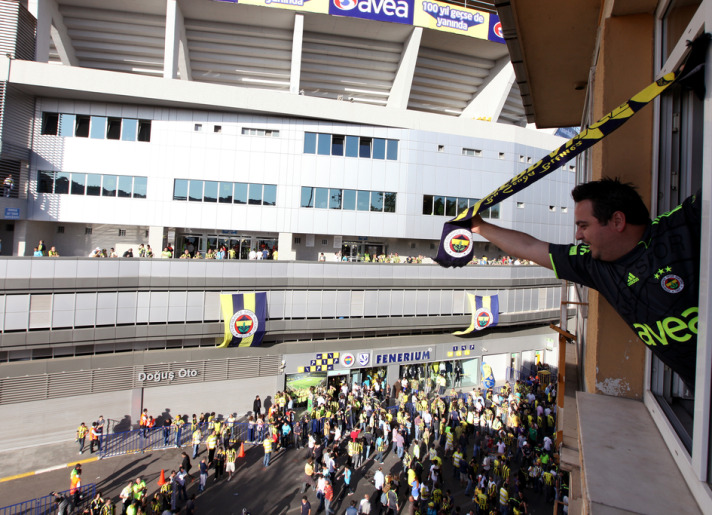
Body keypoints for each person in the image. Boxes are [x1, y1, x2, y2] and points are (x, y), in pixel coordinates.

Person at [470, 178, 700, 387]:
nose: (578, 235)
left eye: (584, 225)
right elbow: (530, 248)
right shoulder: (594, 266)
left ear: (617, 221)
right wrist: (479, 226)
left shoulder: (683, 225)